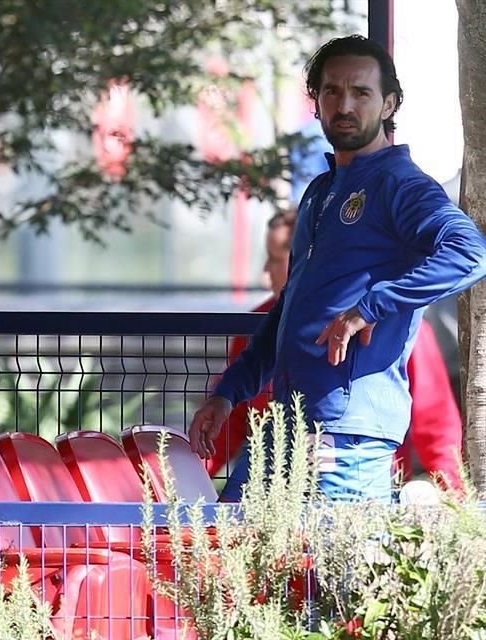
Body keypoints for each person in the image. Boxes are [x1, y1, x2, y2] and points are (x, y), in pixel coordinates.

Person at [189, 35, 486, 502]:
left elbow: (469, 253)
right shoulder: (319, 192)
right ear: (317, 102)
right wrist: (228, 392)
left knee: (332, 573)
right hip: (285, 426)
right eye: (332, 91)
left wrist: (369, 308)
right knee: (228, 556)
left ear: (389, 104)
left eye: (361, 93)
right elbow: (287, 312)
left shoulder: (401, 185)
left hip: (345, 439)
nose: (344, 104)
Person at [206, 209, 464, 495]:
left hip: (361, 479)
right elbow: (234, 421)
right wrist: (180, 478)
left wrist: (454, 497)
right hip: (273, 476)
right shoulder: (259, 324)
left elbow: (436, 423)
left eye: (277, 259)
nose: (267, 272)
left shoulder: (395, 322)